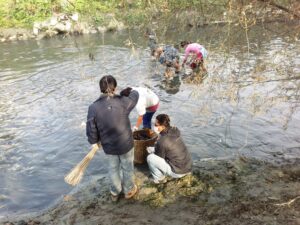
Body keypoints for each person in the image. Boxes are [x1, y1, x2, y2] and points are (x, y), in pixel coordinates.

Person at [86, 75, 139, 201]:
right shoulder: (123, 102)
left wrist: (93, 141)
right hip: (125, 143)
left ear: (100, 89)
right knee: (127, 167)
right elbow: (135, 96)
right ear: (114, 88)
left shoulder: (93, 107)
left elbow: (91, 127)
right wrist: (129, 91)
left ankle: (115, 192)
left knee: (113, 169)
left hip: (109, 146)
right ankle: (129, 191)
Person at [146, 114, 192, 184]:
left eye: (156, 125)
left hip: (178, 172)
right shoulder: (175, 130)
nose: (154, 126)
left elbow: (160, 157)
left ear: (163, 126)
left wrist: (152, 150)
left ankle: (159, 179)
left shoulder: (162, 141)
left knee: (150, 158)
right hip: (188, 166)